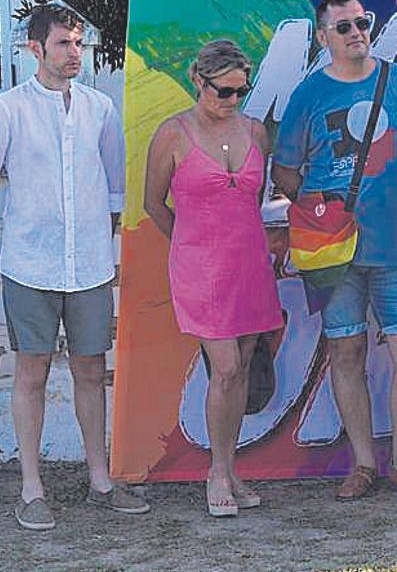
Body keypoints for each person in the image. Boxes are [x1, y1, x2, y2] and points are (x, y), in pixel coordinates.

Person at [0, 4, 149, 529]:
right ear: (35, 49)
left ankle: (100, 481)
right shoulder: (8, 109)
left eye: (79, 44)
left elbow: (112, 191)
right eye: (63, 44)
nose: (74, 54)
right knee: (32, 373)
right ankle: (31, 488)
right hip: (29, 265)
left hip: (88, 268)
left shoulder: (98, 108)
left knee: (91, 371)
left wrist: (108, 258)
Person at [272, 0, 397, 499]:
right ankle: (363, 465)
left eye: (362, 22)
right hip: (333, 252)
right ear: (323, 36)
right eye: (345, 26)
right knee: (346, 351)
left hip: (394, 247)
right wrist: (316, 214)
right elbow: (284, 169)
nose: (357, 33)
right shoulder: (309, 95)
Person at [144, 40, 283, 517]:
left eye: (239, 92)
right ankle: (217, 473)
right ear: (197, 81)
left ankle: (230, 466)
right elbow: (152, 204)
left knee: (241, 367)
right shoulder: (172, 134)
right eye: (222, 91)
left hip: (249, 265)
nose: (230, 100)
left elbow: (255, 201)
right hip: (200, 271)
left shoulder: (255, 132)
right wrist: (187, 244)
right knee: (223, 367)